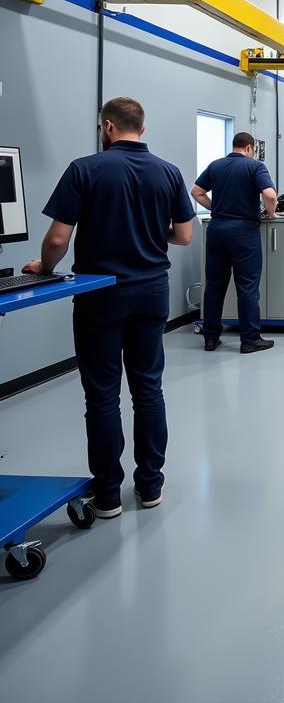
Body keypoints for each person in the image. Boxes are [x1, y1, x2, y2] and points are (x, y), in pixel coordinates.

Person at [22, 97, 194, 518]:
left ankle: (108, 495)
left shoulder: (85, 169)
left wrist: (44, 266)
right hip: (152, 291)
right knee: (148, 389)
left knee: (101, 396)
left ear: (108, 126)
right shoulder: (168, 172)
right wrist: (150, 234)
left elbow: (59, 240)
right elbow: (184, 236)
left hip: (100, 295)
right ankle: (150, 486)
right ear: (143, 128)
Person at [192, 132, 278, 354]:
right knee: (247, 287)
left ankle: (210, 338)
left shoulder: (216, 165)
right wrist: (272, 214)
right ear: (249, 148)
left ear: (234, 146)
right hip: (244, 232)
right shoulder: (255, 167)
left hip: (218, 230)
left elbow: (196, 192)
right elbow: (269, 195)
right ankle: (249, 340)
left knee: (214, 286)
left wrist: (216, 208)